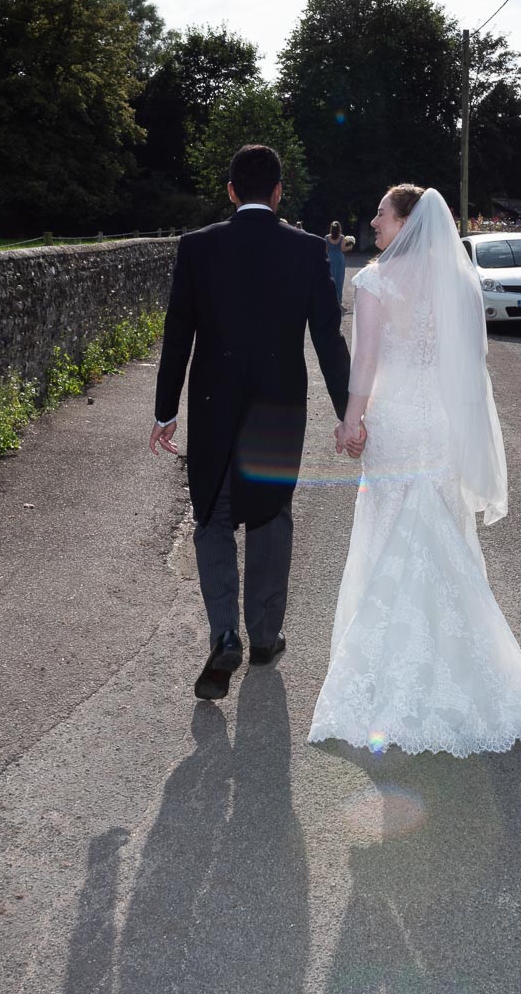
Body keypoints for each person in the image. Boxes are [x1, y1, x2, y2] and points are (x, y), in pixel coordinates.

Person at [310, 183, 521, 757]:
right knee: (443, 539)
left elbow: (366, 363)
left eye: (380, 212)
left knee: (391, 537)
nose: (372, 221)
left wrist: (352, 421)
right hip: (441, 429)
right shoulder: (459, 281)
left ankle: (390, 679)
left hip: (397, 427)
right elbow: (472, 365)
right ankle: (468, 674)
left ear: (406, 221)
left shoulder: (374, 280)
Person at [151, 144, 352, 702]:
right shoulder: (309, 250)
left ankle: (223, 636)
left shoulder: (197, 247)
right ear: (280, 192)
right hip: (278, 408)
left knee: (212, 515)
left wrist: (166, 411)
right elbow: (327, 340)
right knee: (269, 516)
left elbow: (178, 336)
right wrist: (348, 413)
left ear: (232, 191)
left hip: (214, 405)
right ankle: (263, 638)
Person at [325, 220, 346, 306]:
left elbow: (326, 250)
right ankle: (338, 301)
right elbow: (343, 249)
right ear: (339, 229)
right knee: (339, 280)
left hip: (330, 259)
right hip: (339, 259)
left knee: (330, 279)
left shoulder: (326, 237)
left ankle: (329, 300)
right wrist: (350, 246)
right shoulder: (342, 237)